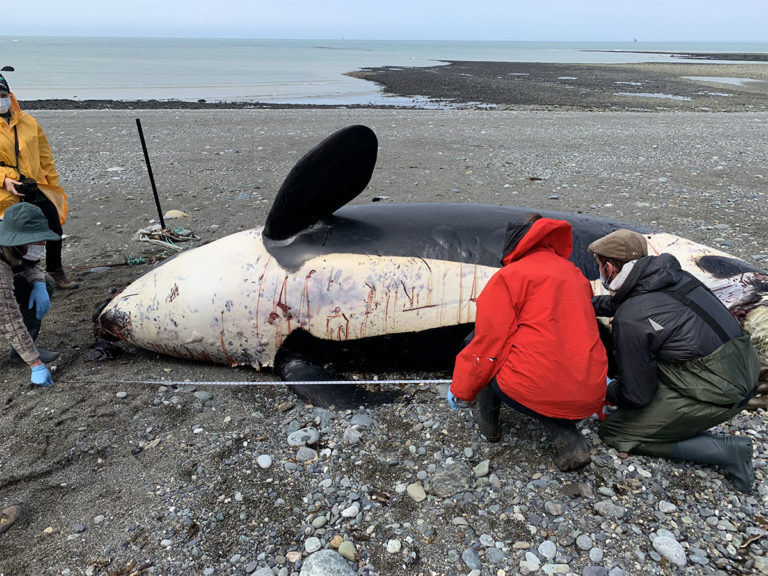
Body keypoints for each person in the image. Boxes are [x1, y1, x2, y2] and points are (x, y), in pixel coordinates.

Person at [589, 229, 760, 493]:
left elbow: (637, 395)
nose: (600, 270)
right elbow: (638, 305)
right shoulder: (674, 277)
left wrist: (604, 388)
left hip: (721, 390)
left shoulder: (633, 316)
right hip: (745, 366)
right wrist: (585, 304)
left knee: (615, 431)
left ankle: (728, 452)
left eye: (600, 265)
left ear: (609, 267)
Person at [448, 215, 608, 471]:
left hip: (541, 386)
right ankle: (569, 436)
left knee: (483, 356)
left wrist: (462, 388)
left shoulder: (511, 276)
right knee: (550, 371)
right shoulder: (574, 274)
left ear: (514, 243)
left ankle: (489, 427)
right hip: (590, 389)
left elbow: (488, 343)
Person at [0, 73, 78, 289]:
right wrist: (5, 180)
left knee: (53, 228)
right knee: (14, 238)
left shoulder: (28, 122)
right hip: (6, 192)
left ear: (9, 94)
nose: (1, 98)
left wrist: (53, 185)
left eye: (3, 93)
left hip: (36, 185)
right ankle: (18, 278)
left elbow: (45, 157)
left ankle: (55, 270)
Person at [0, 202, 61, 386]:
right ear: (16, 240)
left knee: (46, 282)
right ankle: (27, 352)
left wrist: (38, 283)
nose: (40, 247)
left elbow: (33, 262)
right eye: (35, 243)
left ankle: (22, 348)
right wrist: (35, 363)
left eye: (42, 242)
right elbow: (8, 317)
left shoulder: (19, 245)